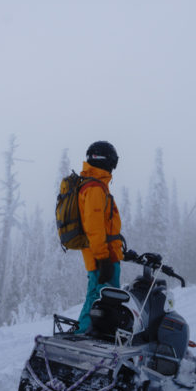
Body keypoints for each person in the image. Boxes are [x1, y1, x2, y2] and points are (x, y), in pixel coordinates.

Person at [75, 141, 126, 334]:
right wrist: (104, 257)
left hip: (106, 253)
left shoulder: (96, 186)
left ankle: (100, 335)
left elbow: (104, 226)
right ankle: (83, 337)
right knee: (99, 296)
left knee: (106, 299)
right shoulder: (95, 188)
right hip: (102, 257)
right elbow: (94, 227)